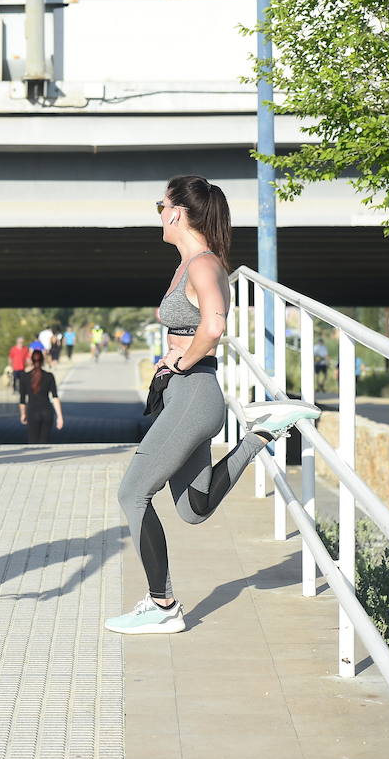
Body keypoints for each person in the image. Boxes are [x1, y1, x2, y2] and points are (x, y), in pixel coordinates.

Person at [106, 175, 320, 635]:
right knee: (193, 509)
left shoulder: (202, 264)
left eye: (159, 205)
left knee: (132, 493)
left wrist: (181, 361)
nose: (158, 214)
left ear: (177, 212)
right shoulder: (192, 264)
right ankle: (262, 433)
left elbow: (215, 325)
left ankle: (162, 604)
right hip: (189, 395)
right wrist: (174, 358)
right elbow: (198, 327)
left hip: (193, 394)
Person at [19, 348, 64, 443]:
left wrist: (23, 414)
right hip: (47, 411)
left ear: (31, 360)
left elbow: (22, 400)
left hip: (32, 411)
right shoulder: (49, 376)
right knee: (45, 440)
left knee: (32, 440)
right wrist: (59, 416)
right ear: (43, 360)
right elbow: (55, 397)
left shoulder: (24, 377)